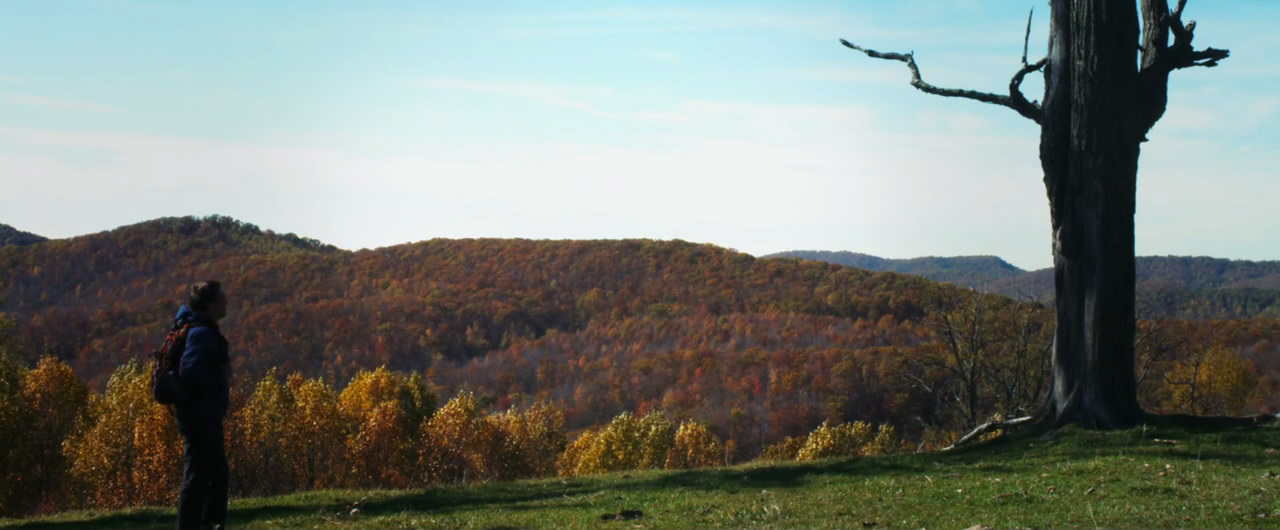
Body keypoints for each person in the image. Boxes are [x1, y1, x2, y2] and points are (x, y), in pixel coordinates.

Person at [174, 281, 231, 530]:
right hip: (200, 416)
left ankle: (209, 524)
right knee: (198, 478)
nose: (226, 301)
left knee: (216, 475)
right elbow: (192, 372)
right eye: (222, 298)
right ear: (210, 305)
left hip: (202, 414)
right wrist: (221, 374)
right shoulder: (201, 334)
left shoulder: (199, 329)